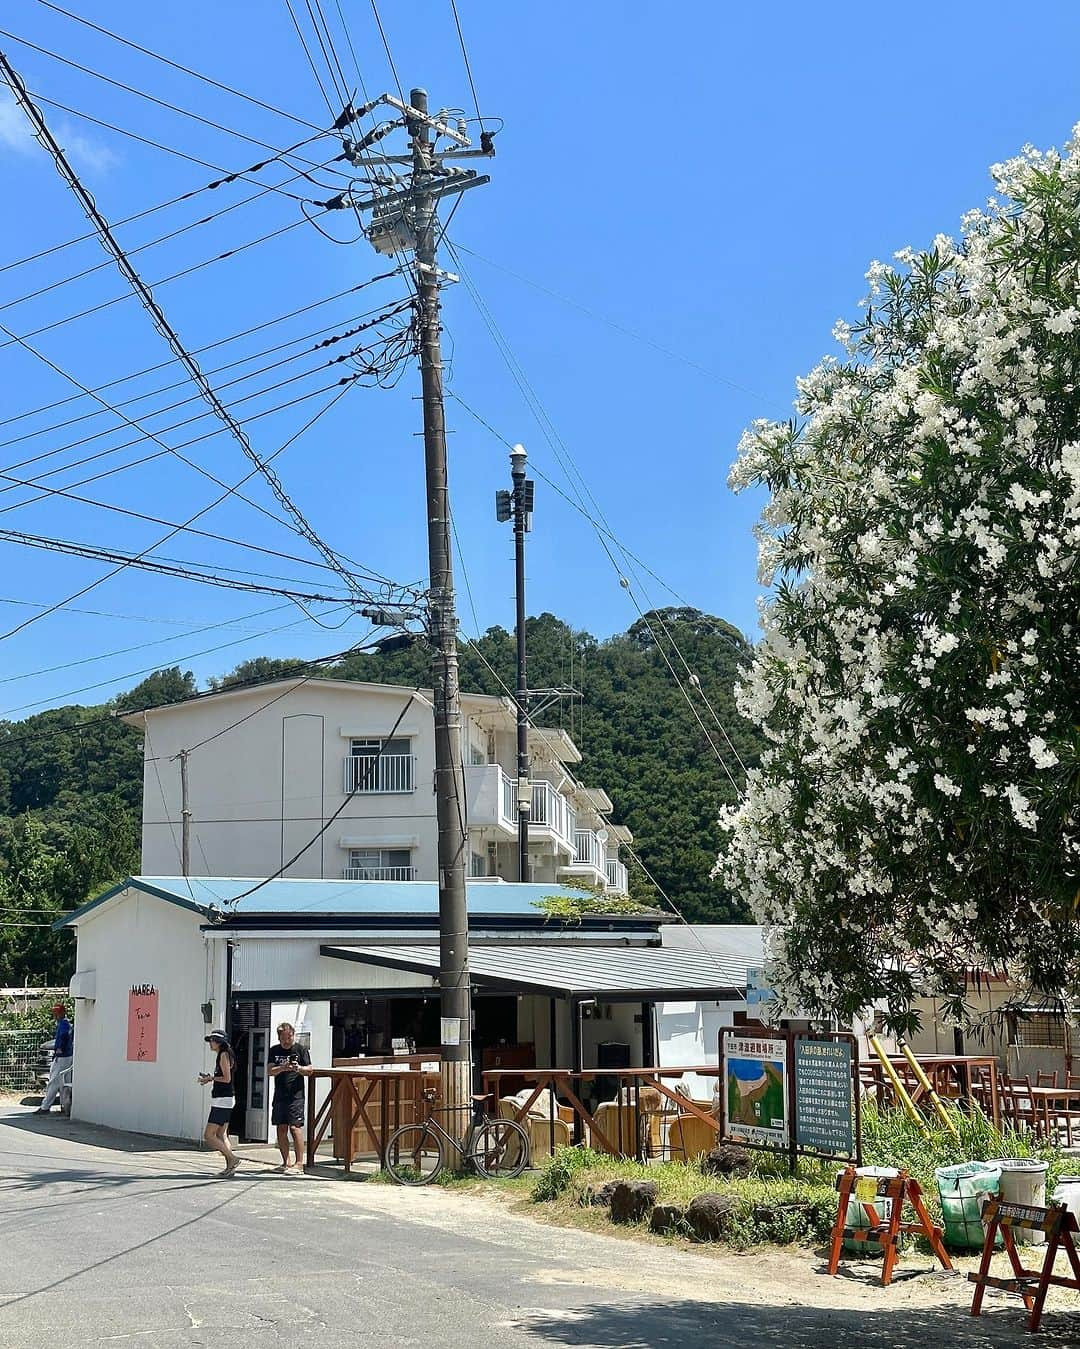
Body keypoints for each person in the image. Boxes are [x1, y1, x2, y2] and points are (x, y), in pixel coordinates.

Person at [267, 1022, 312, 1172]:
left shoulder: (300, 1049)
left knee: (295, 1127)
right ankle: (286, 1162)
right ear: (279, 1037)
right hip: (280, 1094)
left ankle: (299, 1164)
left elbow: (310, 1070)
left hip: (296, 1094)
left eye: (290, 1036)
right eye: (284, 1037)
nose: (288, 1040)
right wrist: (283, 1067)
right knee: (281, 1128)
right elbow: (269, 1071)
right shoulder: (274, 1050)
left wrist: (298, 1068)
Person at [199, 1030, 241, 1177]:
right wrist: (210, 1078)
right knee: (222, 1134)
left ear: (218, 1042)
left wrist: (211, 1078)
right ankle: (230, 1166)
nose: (210, 1043)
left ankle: (232, 1158)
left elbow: (226, 1078)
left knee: (209, 1135)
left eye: (212, 1040)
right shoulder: (225, 1054)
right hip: (226, 1099)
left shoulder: (223, 1055)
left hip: (222, 1100)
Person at [36, 1003, 73, 1114]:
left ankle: (45, 1107)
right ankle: (65, 1106)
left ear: (62, 1013)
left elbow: (63, 1037)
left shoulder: (63, 1025)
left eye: (56, 1013)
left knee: (54, 1081)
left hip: (62, 1056)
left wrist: (59, 1049)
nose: (55, 1015)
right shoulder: (65, 1024)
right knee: (64, 1082)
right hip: (67, 1056)